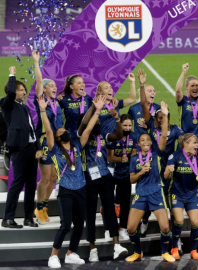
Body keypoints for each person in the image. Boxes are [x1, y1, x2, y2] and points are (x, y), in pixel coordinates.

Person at [40, 95, 105, 268]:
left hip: (81, 189)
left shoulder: (77, 147)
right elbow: (48, 130)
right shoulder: (55, 150)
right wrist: (42, 110)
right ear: (58, 138)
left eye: (65, 131)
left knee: (79, 225)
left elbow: (87, 130)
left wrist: (97, 111)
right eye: (61, 133)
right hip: (66, 190)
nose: (65, 132)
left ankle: (71, 253)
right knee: (65, 225)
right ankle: (53, 256)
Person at [77, 94, 128, 262]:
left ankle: (116, 245)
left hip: (105, 176)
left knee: (110, 210)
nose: (98, 122)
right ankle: (92, 249)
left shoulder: (103, 137)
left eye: (98, 120)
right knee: (90, 213)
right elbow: (85, 124)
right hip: (89, 177)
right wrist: (96, 110)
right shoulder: (82, 138)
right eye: (95, 120)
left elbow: (119, 135)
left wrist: (118, 119)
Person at [124, 101, 175, 263]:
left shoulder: (157, 153)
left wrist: (165, 116)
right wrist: (140, 172)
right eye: (142, 140)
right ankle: (138, 252)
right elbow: (131, 179)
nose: (146, 141)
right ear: (138, 144)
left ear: (151, 142)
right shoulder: (134, 159)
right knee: (131, 228)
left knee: (165, 227)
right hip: (140, 193)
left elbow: (165, 135)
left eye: (148, 139)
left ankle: (165, 252)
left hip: (156, 191)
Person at [139, 68, 185, 242]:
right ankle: (144, 219)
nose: (159, 120)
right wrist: (142, 85)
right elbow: (144, 105)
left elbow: (185, 139)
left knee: (168, 200)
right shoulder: (150, 126)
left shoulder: (174, 129)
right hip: (152, 167)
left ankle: (175, 236)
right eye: (158, 117)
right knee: (150, 195)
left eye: (163, 117)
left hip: (168, 168)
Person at [1, 66, 42, 229]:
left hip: (31, 148)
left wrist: (38, 147)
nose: (24, 92)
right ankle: (7, 218)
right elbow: (10, 94)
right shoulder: (6, 104)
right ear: (12, 91)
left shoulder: (25, 108)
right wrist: (12, 75)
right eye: (20, 90)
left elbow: (32, 128)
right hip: (18, 148)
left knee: (32, 184)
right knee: (17, 182)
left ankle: (28, 217)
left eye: (24, 90)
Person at [32, 50, 63, 225]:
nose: (54, 87)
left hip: (56, 142)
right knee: (45, 178)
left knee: (53, 178)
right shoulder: (41, 100)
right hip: (44, 140)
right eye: (50, 85)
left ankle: (43, 206)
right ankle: (38, 207)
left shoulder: (56, 102)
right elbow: (38, 81)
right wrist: (37, 63)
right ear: (44, 89)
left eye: (54, 85)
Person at [106, 114, 137, 240]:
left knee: (125, 202)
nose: (128, 128)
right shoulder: (113, 136)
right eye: (125, 125)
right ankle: (109, 229)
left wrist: (129, 162)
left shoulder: (134, 136)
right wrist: (121, 159)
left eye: (130, 125)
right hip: (112, 172)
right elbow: (109, 157)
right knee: (108, 202)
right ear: (119, 125)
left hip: (125, 173)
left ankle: (122, 228)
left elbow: (134, 155)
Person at [175, 63, 198, 138]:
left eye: (197, 85)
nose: (195, 88)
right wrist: (183, 73)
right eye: (192, 86)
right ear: (186, 87)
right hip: (185, 137)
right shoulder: (183, 100)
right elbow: (178, 90)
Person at [57, 75, 93, 139]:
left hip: (86, 135)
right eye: (79, 83)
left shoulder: (87, 98)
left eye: (83, 82)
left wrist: (113, 100)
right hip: (70, 135)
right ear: (71, 86)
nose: (82, 85)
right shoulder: (63, 99)